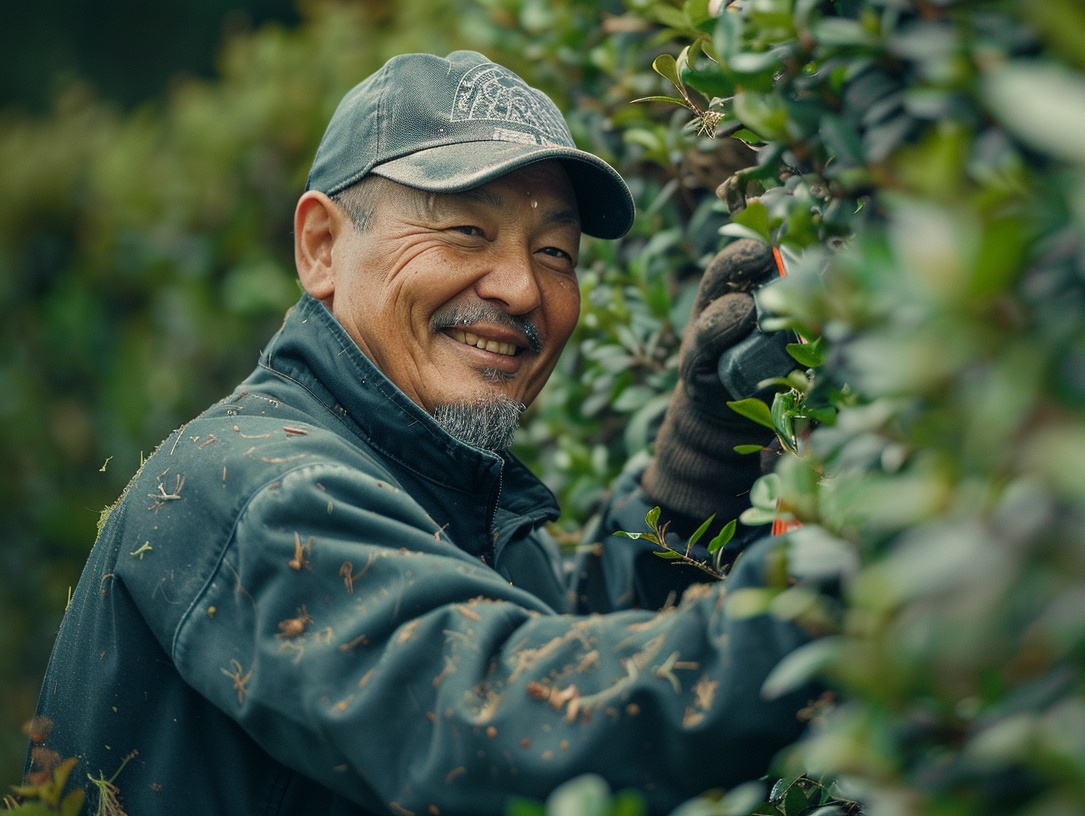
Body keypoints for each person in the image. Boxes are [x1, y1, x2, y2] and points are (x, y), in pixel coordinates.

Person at [24, 51, 819, 816]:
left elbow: (555, 644)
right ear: (322, 246)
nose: (520, 287)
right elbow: (505, 717)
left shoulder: (447, 493)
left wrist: (694, 475)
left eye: (554, 251)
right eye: (467, 232)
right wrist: (845, 595)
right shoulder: (253, 488)